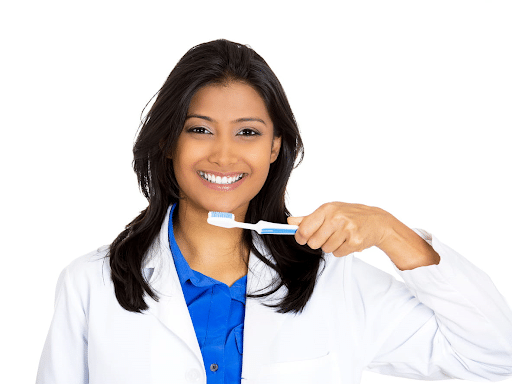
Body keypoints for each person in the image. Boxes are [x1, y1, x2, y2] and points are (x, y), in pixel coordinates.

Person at [36, 39, 512, 384]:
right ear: (166, 142)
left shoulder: (333, 280)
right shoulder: (91, 284)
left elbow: (493, 357)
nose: (224, 155)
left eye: (247, 133)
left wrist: (389, 231)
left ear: (274, 148)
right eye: (200, 130)